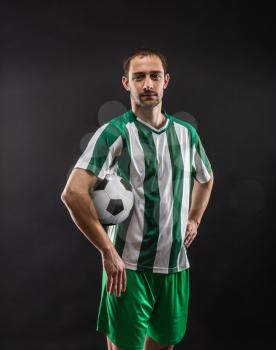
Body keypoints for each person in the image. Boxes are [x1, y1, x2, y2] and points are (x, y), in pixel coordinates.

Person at [61, 47, 214, 350]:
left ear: (165, 81)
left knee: (164, 345)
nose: (147, 84)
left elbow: (206, 179)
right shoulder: (114, 133)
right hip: (127, 269)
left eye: (154, 76)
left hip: (174, 268)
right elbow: (73, 193)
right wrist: (107, 250)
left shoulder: (187, 135)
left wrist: (194, 218)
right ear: (126, 83)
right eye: (139, 77)